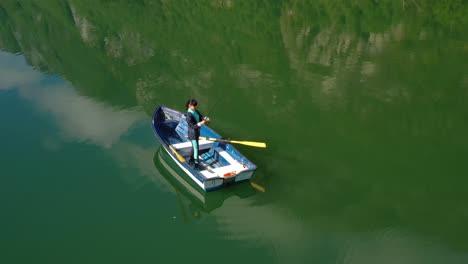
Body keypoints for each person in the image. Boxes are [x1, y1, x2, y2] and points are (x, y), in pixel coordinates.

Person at [185, 98, 210, 168]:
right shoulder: (188, 115)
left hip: (197, 132)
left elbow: (200, 116)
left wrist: (205, 118)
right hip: (192, 133)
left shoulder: (195, 110)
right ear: (190, 105)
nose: (195, 107)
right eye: (194, 106)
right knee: (196, 148)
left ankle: (191, 159)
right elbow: (192, 126)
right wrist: (201, 123)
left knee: (194, 146)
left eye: (196, 106)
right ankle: (196, 163)